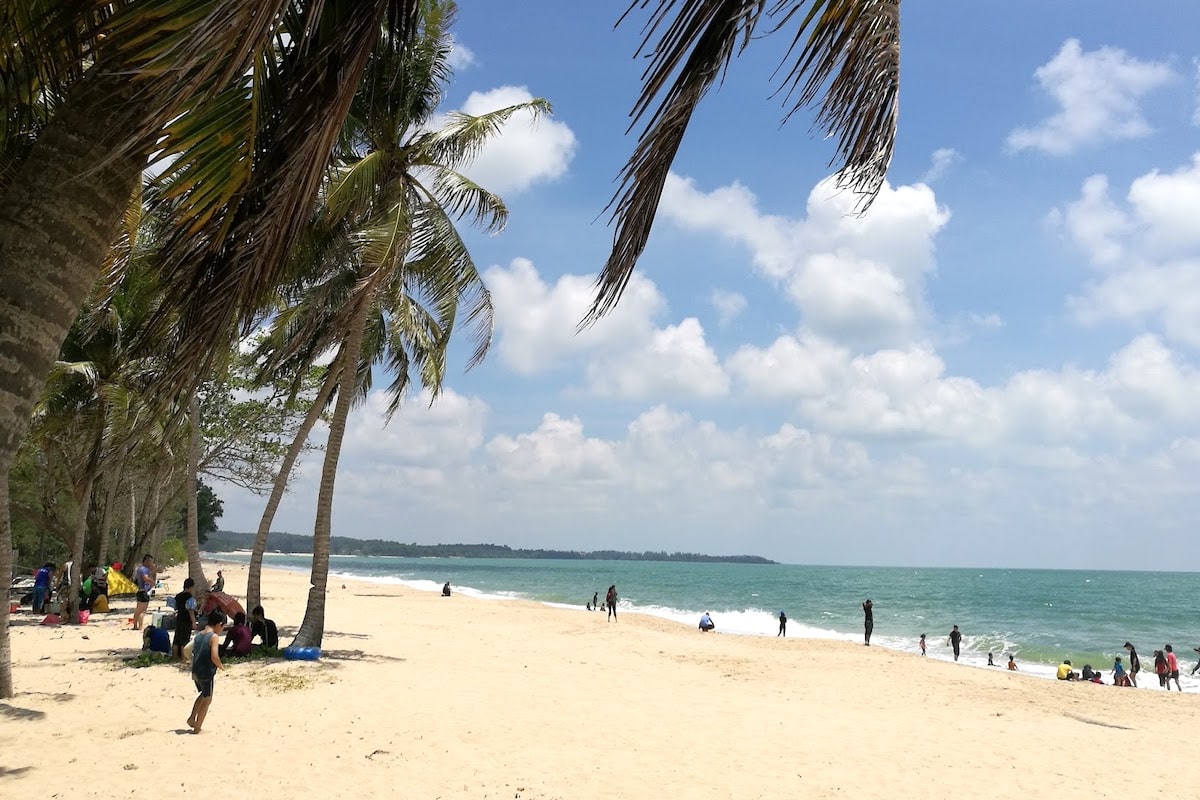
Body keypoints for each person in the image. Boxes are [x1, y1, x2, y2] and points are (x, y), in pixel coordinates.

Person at [188, 610, 225, 734]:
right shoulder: (214, 637)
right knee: (208, 698)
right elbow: (214, 656)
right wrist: (220, 665)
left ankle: (192, 718)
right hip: (206, 671)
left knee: (203, 694)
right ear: (219, 624)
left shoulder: (199, 634)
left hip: (195, 670)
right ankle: (197, 727)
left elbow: (188, 649)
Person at [172, 578, 198, 662]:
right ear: (191, 587)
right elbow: (191, 611)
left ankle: (175, 657)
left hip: (179, 618)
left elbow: (175, 607)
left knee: (177, 638)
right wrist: (194, 622)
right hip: (186, 620)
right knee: (184, 639)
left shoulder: (178, 596)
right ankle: (183, 658)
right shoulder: (190, 598)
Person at [133, 554, 156, 630]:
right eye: (150, 561)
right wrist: (153, 582)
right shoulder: (143, 569)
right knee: (142, 611)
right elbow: (145, 578)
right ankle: (140, 626)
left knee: (138, 610)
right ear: (146, 561)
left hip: (141, 591)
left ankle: (136, 625)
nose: (151, 563)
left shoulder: (143, 569)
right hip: (144, 592)